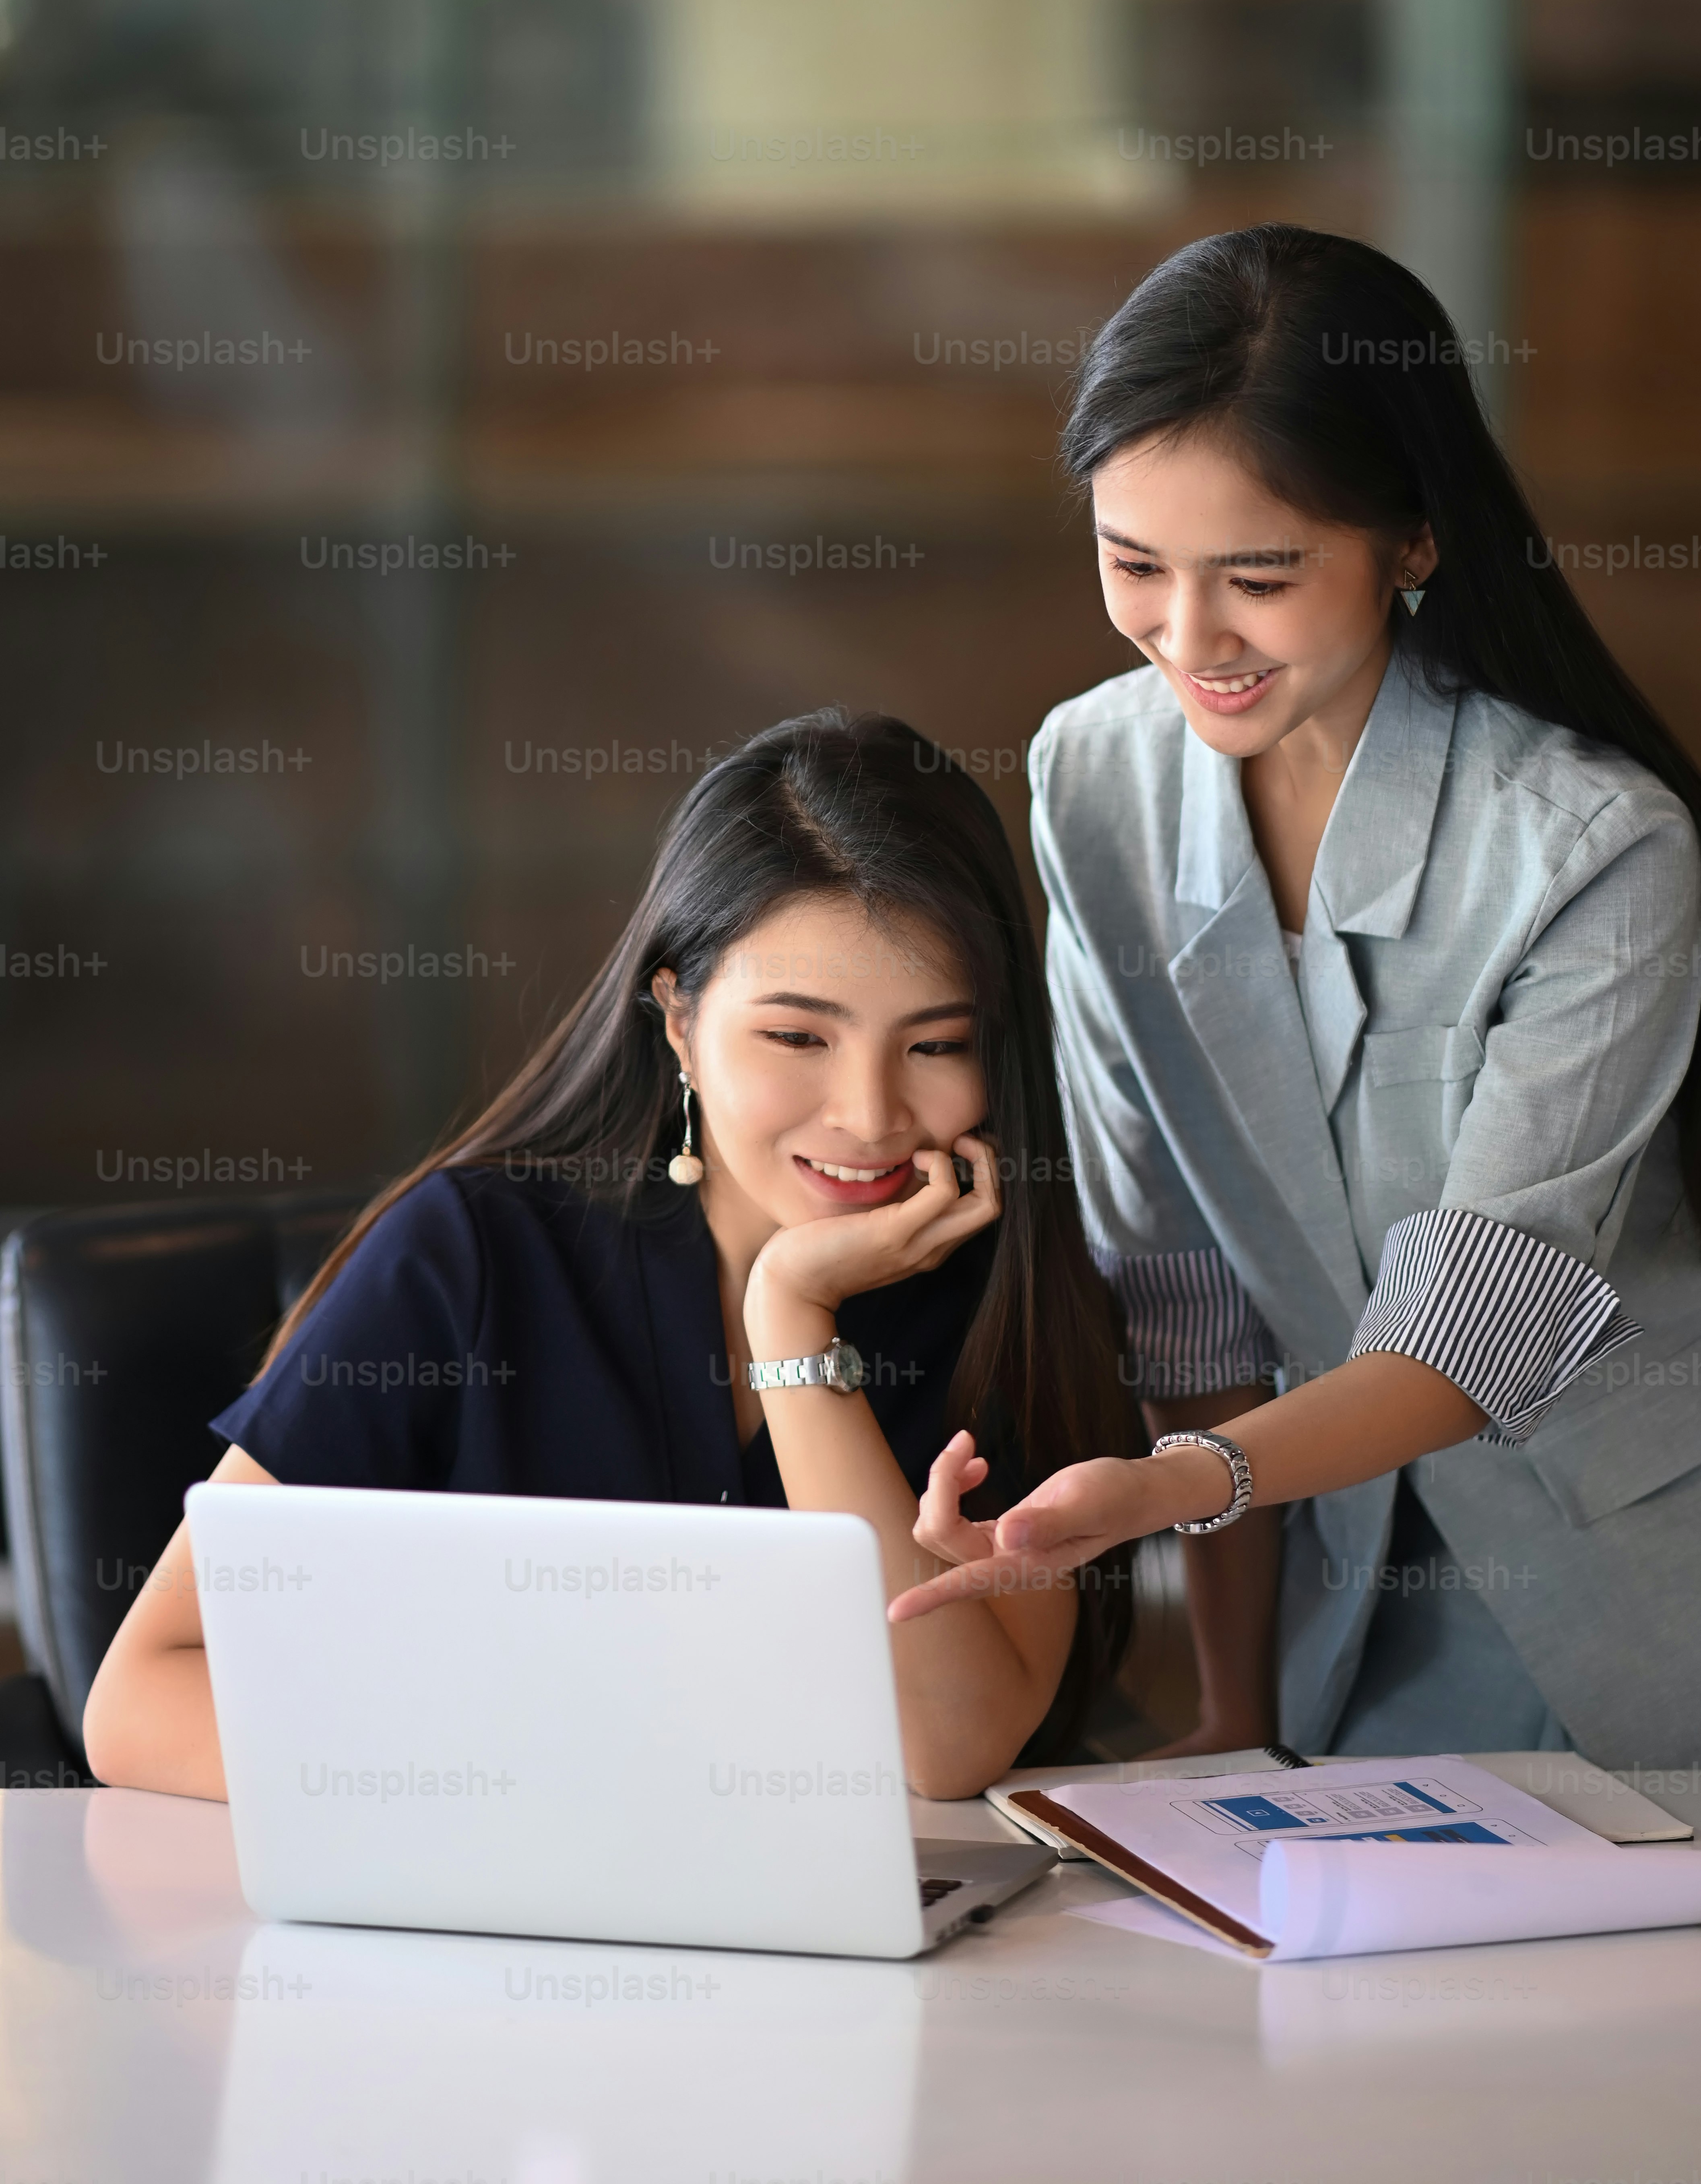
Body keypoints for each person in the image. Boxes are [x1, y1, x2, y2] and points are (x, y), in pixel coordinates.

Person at [892, 222, 1701, 1771]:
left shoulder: (1593, 845)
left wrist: (1171, 1485)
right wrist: (1234, 1709)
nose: (1191, 640)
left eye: (1259, 576)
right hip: (1364, 1559)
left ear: (1415, 541)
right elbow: (1180, 1276)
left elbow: (1478, 1334)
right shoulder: (1096, 781)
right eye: (1134, 566)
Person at [83, 714, 1135, 1804]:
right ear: (678, 1019)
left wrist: (791, 1317)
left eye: (934, 1046)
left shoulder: (1015, 1307)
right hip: (493, 1924)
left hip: (894, 1960)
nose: (871, 1116)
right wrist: (543, 1797)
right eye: (798, 1038)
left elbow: (944, 1749)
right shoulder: (472, 1255)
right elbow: (146, 1700)